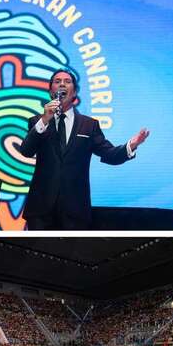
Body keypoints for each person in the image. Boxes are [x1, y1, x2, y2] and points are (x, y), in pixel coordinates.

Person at [18, 69, 150, 230]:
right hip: (41, 209)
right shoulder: (37, 122)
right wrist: (45, 119)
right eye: (57, 81)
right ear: (50, 91)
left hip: (75, 209)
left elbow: (109, 154)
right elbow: (25, 151)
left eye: (67, 81)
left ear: (75, 92)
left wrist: (132, 144)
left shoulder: (89, 125)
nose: (61, 84)